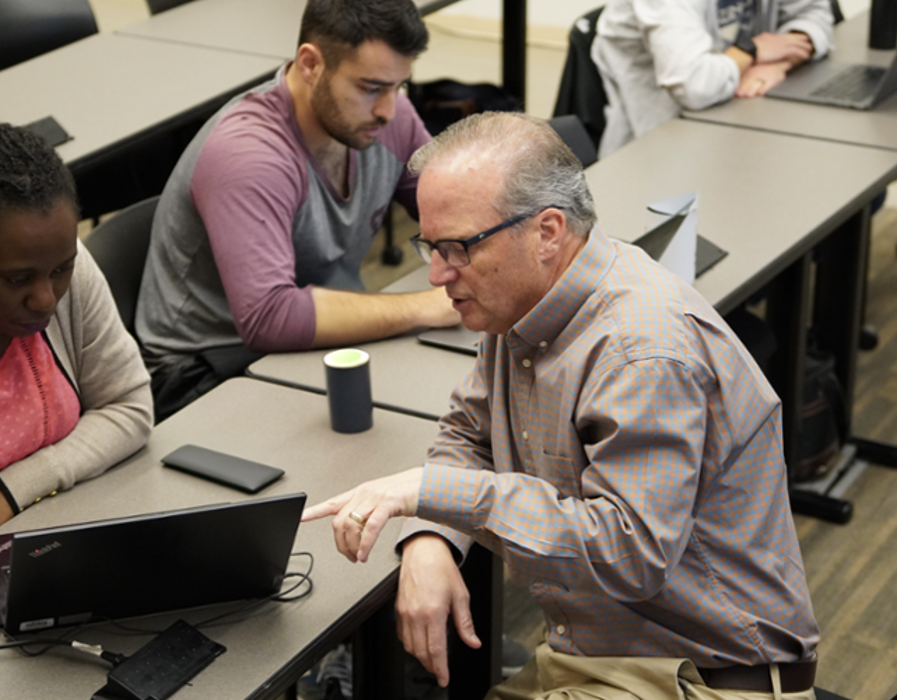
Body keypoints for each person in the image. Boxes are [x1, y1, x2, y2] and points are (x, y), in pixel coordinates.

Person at [303, 112, 820, 699]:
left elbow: (630, 553)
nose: (437, 273)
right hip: (602, 656)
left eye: (457, 248)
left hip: (710, 678)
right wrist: (431, 537)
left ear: (547, 232)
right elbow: (468, 433)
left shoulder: (641, 353)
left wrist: (431, 493)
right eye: (429, 244)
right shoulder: (521, 299)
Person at [136, 0, 460, 420]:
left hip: (312, 340)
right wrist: (424, 307)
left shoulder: (382, 116)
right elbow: (269, 318)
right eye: (370, 88)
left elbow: (449, 204)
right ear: (310, 64)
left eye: (398, 87)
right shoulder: (249, 155)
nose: (388, 110)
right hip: (206, 373)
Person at [0, 123, 153, 636]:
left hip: (44, 546)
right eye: (17, 280)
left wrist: (9, 493)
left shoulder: (67, 273)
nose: (45, 298)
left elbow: (129, 406)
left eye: (59, 269)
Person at [591, 0, 835, 156]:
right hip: (661, 149)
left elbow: (816, 13)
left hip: (741, 127)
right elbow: (694, 85)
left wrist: (783, 61)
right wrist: (751, 50)